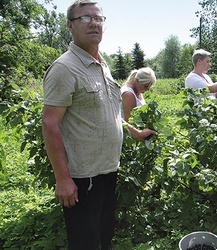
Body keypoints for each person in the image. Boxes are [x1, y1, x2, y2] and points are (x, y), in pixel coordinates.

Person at [41, 1, 156, 249]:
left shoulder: (102, 66)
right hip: (83, 177)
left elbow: (111, 112)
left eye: (99, 18)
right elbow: (50, 123)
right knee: (86, 243)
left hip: (107, 171)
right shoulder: (65, 68)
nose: (94, 23)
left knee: (103, 237)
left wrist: (133, 131)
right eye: (85, 18)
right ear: (70, 26)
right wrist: (62, 179)